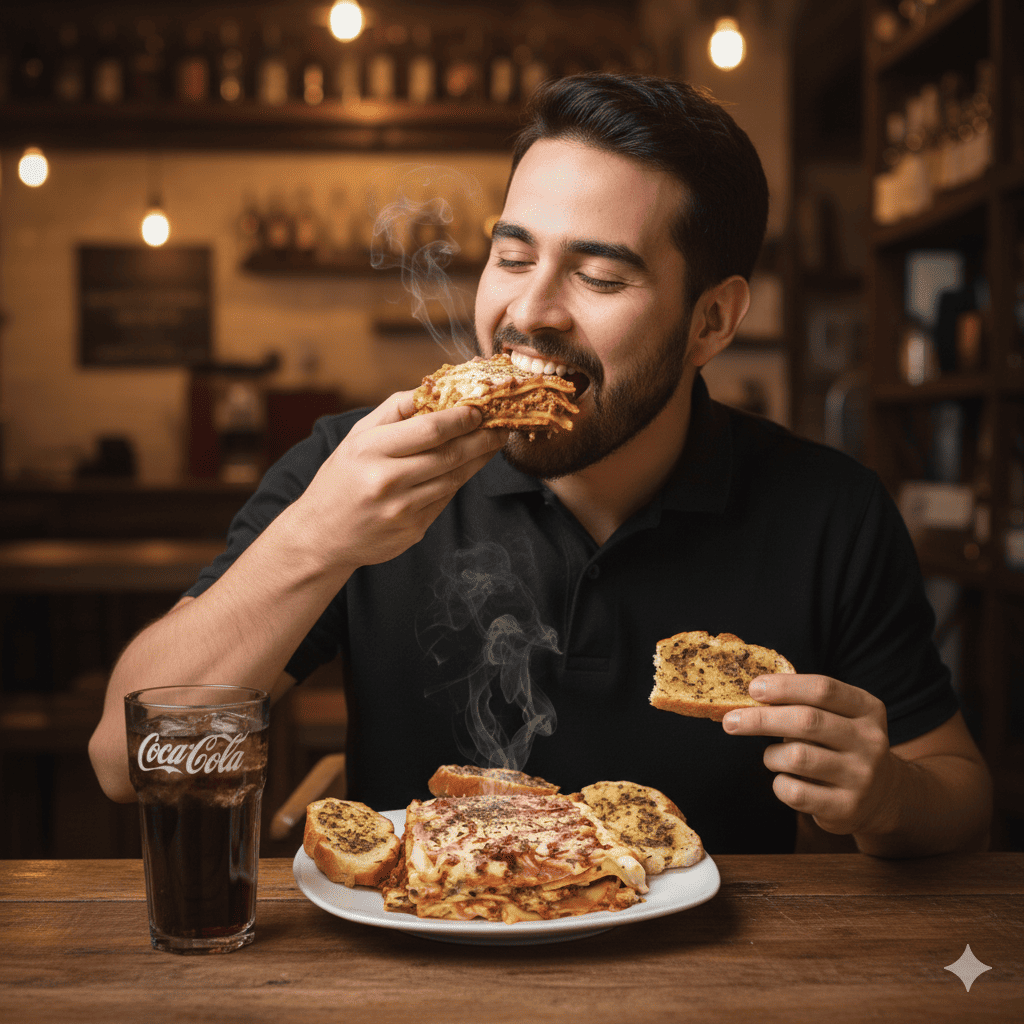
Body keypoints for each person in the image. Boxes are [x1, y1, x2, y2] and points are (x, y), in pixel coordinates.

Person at [90, 74, 991, 856]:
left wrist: (888, 798)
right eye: (511, 255)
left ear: (712, 322)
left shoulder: (828, 511)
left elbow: (959, 795)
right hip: (417, 972)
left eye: (599, 278)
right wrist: (316, 540)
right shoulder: (350, 470)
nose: (531, 310)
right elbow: (123, 762)